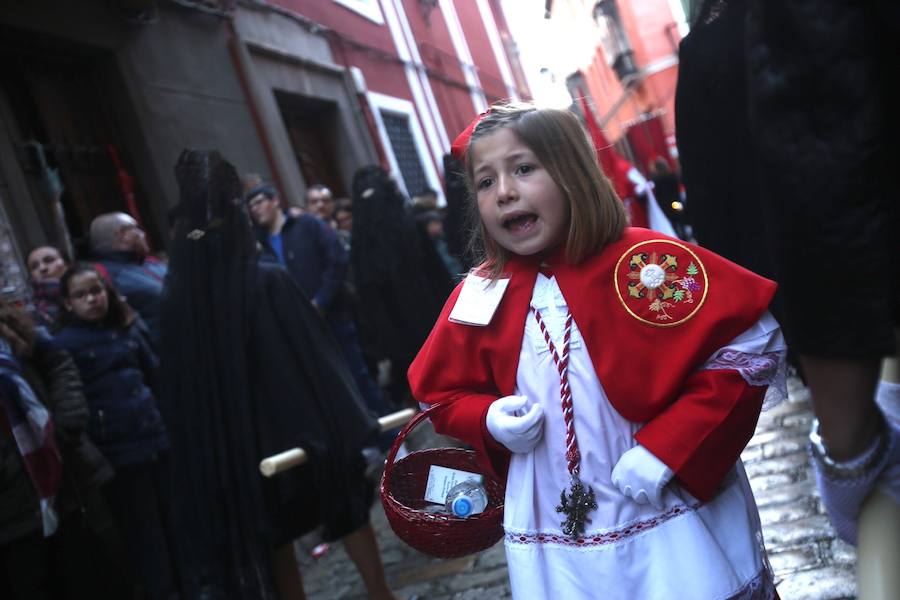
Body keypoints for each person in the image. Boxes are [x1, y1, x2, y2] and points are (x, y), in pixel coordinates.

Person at [407, 103, 786, 599]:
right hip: (555, 519)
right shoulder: (480, 294)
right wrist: (489, 418)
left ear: (572, 173)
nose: (504, 192)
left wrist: (669, 447)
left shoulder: (647, 261)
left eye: (523, 168)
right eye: (485, 181)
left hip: (662, 498)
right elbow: (439, 393)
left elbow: (749, 346)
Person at [162, 149, 399, 600]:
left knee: (274, 536)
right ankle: (380, 594)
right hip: (301, 428)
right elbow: (318, 360)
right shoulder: (264, 282)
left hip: (244, 441)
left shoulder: (181, 301)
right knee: (333, 514)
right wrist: (350, 421)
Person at [53, 263, 177, 600]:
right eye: (81, 295)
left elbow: (151, 377)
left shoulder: (124, 328)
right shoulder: (66, 344)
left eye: (96, 291)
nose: (92, 299)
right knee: (145, 532)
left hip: (154, 436)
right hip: (119, 450)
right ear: (68, 303)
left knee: (173, 522)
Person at [1, 298, 131, 599]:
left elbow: (58, 362)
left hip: (61, 473)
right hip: (12, 508)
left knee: (90, 575)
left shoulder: (11, 322)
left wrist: (66, 420)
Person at [246, 183, 393, 429]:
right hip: (299, 328)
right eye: (250, 206)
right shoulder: (259, 244)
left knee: (358, 377)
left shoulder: (306, 225)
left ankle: (389, 436)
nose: (255, 209)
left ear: (275, 200)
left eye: (259, 202)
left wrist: (321, 301)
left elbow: (336, 260)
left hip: (332, 316)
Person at [89, 212, 167, 350]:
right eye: (136, 228)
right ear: (123, 234)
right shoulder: (102, 274)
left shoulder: (152, 263)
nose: (143, 234)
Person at [26, 246, 67, 327]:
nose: (42, 268)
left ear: (66, 263)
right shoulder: (34, 314)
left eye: (49, 260)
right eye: (34, 266)